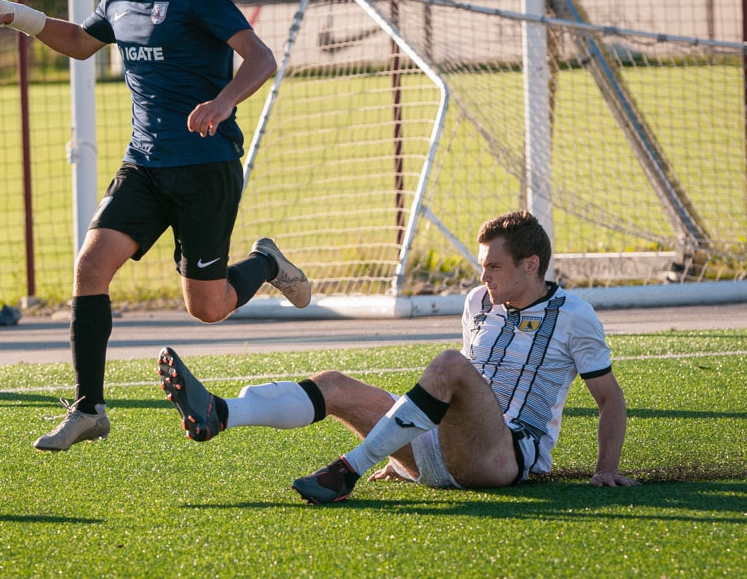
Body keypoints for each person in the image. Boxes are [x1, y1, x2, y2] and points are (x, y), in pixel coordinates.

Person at [0, 0, 308, 451]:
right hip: (145, 165)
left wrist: (223, 102)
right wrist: (22, 17)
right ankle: (88, 408)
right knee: (90, 265)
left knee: (208, 308)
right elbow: (82, 45)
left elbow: (261, 58)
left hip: (205, 168)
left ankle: (267, 262)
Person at [158, 210, 640, 503]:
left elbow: (609, 399)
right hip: (442, 452)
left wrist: (605, 468)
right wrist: (401, 443)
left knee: (451, 365)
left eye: (494, 266)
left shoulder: (573, 314)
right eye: (482, 266)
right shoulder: (477, 302)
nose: (484, 276)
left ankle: (350, 467)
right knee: (335, 384)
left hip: (502, 459)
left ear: (530, 265)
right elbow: (453, 401)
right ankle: (220, 413)